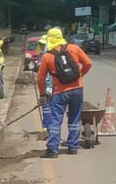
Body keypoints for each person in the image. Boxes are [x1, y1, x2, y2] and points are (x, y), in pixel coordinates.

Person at [36, 27, 93, 158]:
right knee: (74, 118)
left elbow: (40, 78)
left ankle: (52, 150)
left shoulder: (47, 56)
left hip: (60, 92)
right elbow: (88, 63)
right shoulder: (74, 48)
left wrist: (42, 95)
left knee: (56, 120)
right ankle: (73, 147)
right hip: (77, 90)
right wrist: (80, 76)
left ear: (49, 39)